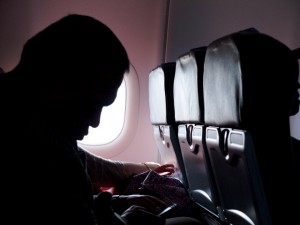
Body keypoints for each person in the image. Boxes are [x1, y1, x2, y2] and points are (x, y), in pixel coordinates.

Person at [0, 14, 201, 225]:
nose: (95, 122)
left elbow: (56, 204)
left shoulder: (31, 116)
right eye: (91, 105)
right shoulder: (41, 149)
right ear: (59, 82)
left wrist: (117, 202)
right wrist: (123, 221)